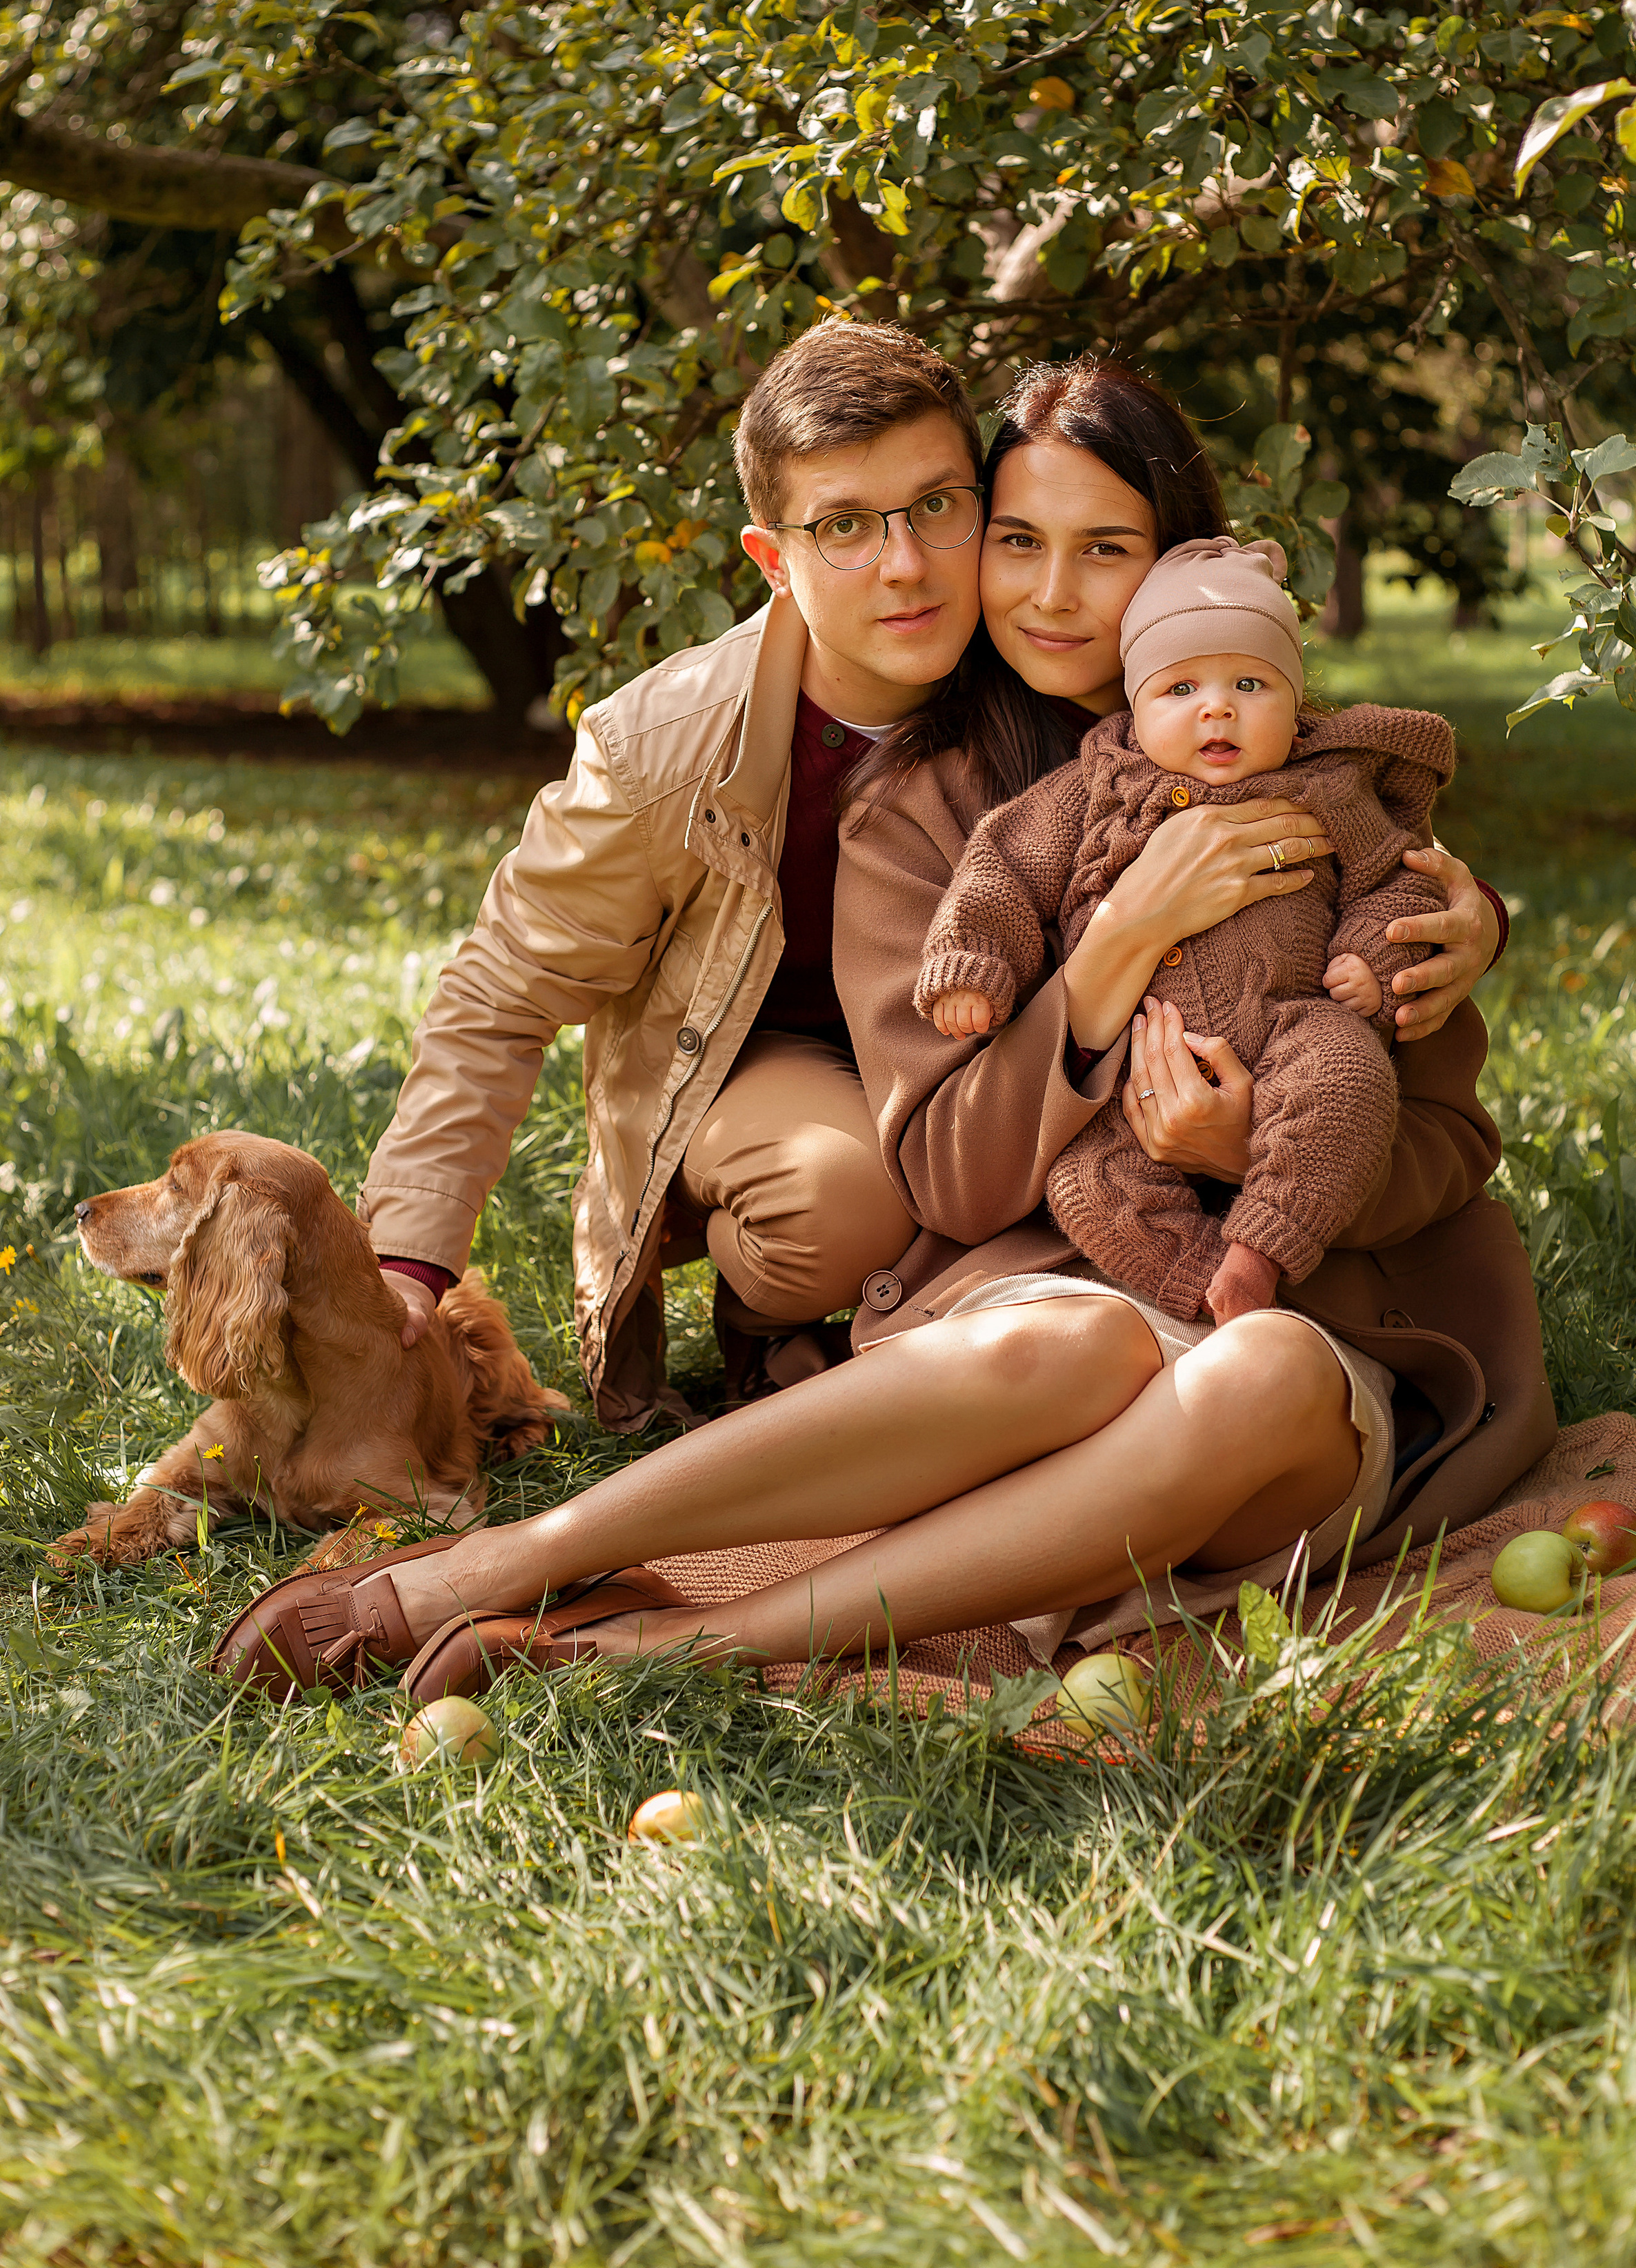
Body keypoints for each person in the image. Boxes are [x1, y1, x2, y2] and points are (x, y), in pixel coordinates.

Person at [214, 346, 1535, 1695]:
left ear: (1184, 564)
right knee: (1064, 1333)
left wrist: (1269, 1146)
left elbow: (1443, 1140)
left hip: (1309, 1341)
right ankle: (502, 1568)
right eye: (1018, 540)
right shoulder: (923, 810)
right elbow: (933, 1172)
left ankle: (678, 1645)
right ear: (781, 553)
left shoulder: (1325, 788)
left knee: (1255, 1373)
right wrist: (1119, 939)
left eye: (1107, 547)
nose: (1048, 591)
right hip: (1033, 1290)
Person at [361, 321, 1499, 1432]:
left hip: (997, 1081)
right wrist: (406, 1264)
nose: (907, 567)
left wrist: (1465, 915)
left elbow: (1346, 836)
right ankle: (778, 1325)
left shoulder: (1145, 710)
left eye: (940, 512)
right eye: (845, 527)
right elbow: (499, 997)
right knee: (848, 1197)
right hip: (765, 1058)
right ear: (775, 556)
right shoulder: (678, 750)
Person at [915, 531, 1459, 1325]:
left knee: (1347, 1078)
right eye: (1179, 689)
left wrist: (1369, 956)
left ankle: (1260, 1252)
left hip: (1287, 1026)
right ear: (1133, 708)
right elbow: (1001, 863)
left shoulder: (1327, 788)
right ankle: (1201, 1287)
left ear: (1296, 704)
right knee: (1086, 1181)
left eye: (1250, 683)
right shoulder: (1094, 788)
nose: (1218, 708)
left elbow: (1395, 877)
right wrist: (972, 958)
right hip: (1132, 1071)